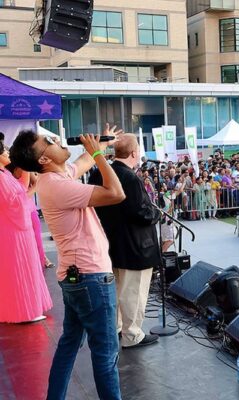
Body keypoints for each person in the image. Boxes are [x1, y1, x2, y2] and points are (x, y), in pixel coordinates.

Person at [10, 129, 125, 399]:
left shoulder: (57, 177)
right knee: (106, 353)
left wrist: (101, 144)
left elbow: (83, 161)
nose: (57, 140)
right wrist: (99, 154)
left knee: (69, 344)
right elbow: (116, 193)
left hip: (77, 277)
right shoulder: (58, 185)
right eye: (49, 142)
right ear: (43, 161)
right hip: (91, 277)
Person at [88, 134, 160, 349]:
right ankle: (133, 335)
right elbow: (139, 212)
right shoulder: (130, 178)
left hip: (109, 242)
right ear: (134, 153)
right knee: (133, 293)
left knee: (118, 290)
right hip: (135, 246)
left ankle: (118, 328)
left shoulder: (99, 173)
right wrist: (156, 214)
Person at [0, 137, 52, 323]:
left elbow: (18, 196)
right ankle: (24, 311)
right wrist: (36, 187)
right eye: (4, 152)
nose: (7, 154)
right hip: (14, 231)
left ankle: (27, 307)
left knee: (25, 266)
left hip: (15, 229)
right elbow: (15, 203)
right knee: (20, 267)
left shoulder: (4, 175)